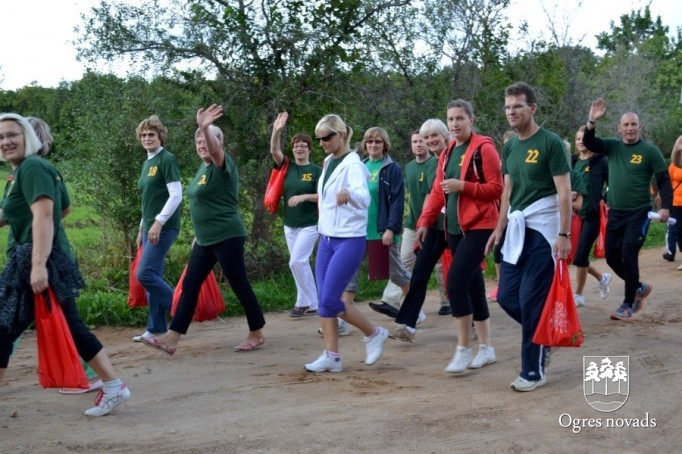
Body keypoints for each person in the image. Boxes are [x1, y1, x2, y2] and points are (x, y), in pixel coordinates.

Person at [0, 113, 130, 416]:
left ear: (28, 138)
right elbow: (43, 211)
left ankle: (114, 386)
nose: (6, 142)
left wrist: (38, 263)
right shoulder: (22, 171)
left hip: (36, 259)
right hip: (31, 258)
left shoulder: (32, 167)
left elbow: (46, 215)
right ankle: (113, 386)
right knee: (27, 328)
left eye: (12, 135)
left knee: (10, 328)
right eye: (1, 137)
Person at [142, 104, 266, 355]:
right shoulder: (202, 170)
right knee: (190, 286)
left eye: (205, 141)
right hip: (205, 240)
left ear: (218, 143)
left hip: (228, 236)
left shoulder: (223, 165)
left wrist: (205, 127)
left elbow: (215, 149)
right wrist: (198, 236)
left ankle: (256, 332)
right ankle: (172, 338)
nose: (201, 145)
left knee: (239, 283)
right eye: (198, 141)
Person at [485, 82, 572, 392]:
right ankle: (544, 337)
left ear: (532, 108)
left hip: (545, 232)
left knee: (530, 301)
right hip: (516, 230)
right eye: (508, 107)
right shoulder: (509, 146)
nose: (511, 112)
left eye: (517, 106)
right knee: (507, 296)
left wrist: (564, 234)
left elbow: (564, 192)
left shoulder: (551, 143)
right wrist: (499, 228)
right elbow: (508, 190)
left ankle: (532, 372)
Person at [415, 99, 503, 373]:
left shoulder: (484, 148)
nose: (454, 124)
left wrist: (463, 186)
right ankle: (486, 348)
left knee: (455, 282)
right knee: (474, 286)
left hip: (480, 225)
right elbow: (439, 192)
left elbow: (496, 189)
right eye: (451, 119)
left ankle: (463, 348)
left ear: (471, 120)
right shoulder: (448, 152)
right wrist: (425, 221)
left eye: (460, 119)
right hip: (454, 227)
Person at [305, 114, 389, 373]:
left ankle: (374, 333)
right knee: (323, 300)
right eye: (319, 139)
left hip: (349, 240)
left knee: (330, 300)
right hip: (327, 238)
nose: (322, 142)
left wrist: (350, 194)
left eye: (326, 137)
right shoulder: (329, 161)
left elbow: (364, 199)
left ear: (341, 135)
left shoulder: (353, 164)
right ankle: (332, 356)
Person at [583, 99, 672, 319]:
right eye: (626, 125)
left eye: (634, 124)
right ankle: (639, 287)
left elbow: (663, 180)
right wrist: (592, 120)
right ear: (619, 128)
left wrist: (666, 208)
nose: (630, 128)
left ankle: (628, 302)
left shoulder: (649, 151)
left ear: (639, 127)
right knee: (612, 257)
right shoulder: (613, 147)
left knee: (629, 253)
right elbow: (589, 142)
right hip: (616, 212)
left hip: (639, 212)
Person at [391, 119, 459, 342]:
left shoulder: (455, 155)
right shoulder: (435, 162)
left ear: (445, 135)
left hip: (459, 227)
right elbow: (434, 195)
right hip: (437, 227)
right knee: (419, 273)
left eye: (434, 136)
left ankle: (474, 324)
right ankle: (407, 324)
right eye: (426, 137)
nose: (430, 141)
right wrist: (424, 223)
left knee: (463, 278)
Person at [341, 127, 411, 321]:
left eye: (378, 142)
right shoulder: (360, 167)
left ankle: (413, 308)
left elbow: (397, 202)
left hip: (382, 232)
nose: (373, 145)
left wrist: (390, 229)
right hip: (360, 231)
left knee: (398, 276)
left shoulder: (392, 169)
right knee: (350, 271)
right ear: (365, 144)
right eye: (370, 141)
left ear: (385, 145)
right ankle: (341, 317)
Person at [368, 130, 437, 324]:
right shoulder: (408, 167)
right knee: (404, 262)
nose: (418, 144)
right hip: (407, 224)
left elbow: (407, 199)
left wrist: (393, 227)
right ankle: (397, 303)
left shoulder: (430, 164)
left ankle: (447, 303)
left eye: (422, 140)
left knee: (435, 267)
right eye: (414, 141)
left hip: (430, 224)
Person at [132, 115, 182, 342]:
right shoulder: (147, 162)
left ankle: (183, 311)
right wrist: (142, 227)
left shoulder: (166, 159)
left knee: (145, 274)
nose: (147, 138)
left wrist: (158, 223)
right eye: (143, 135)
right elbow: (148, 200)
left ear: (160, 136)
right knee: (154, 274)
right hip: (150, 227)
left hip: (164, 227)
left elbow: (176, 195)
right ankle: (156, 328)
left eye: (151, 134)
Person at [269, 112, 322, 317]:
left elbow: (323, 196)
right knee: (301, 263)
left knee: (296, 262)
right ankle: (309, 302)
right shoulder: (286, 166)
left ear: (309, 149)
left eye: (303, 145)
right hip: (290, 223)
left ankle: (308, 301)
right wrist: (276, 130)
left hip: (311, 223)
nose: (299, 148)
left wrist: (304, 197)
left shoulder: (317, 170)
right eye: (296, 145)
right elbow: (274, 149)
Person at [570, 126, 612, 307]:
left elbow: (613, 184)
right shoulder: (571, 161)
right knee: (576, 256)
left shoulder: (600, 161)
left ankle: (578, 295)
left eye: (583, 138)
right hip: (573, 214)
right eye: (577, 138)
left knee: (580, 255)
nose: (580, 141)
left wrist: (604, 200)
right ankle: (602, 278)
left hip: (592, 214)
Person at [487, 130, 516, 302]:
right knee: (498, 248)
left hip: (519, 213)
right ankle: (501, 284)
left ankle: (513, 284)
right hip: (503, 213)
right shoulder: (499, 164)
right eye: (505, 145)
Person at [662, 137, 682, 269]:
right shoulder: (674, 164)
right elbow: (667, 180)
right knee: (678, 230)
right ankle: (674, 252)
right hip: (676, 201)